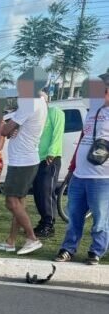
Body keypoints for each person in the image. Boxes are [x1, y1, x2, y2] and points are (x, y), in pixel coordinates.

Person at [55, 75, 109, 266]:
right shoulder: (92, 111)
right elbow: (83, 139)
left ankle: (96, 251)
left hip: (102, 177)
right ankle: (68, 248)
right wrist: (72, 167)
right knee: (74, 216)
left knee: (100, 219)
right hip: (80, 174)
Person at [0, 68, 48, 255]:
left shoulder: (29, 103)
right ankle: (11, 240)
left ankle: (32, 238)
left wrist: (2, 121)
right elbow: (14, 128)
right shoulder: (40, 101)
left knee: (11, 202)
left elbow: (4, 131)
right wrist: (12, 127)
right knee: (19, 202)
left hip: (22, 160)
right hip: (27, 158)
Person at [32, 88, 65, 238]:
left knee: (46, 191)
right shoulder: (36, 115)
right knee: (38, 192)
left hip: (50, 158)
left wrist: (52, 152)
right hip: (35, 158)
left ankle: (49, 224)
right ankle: (43, 220)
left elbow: (57, 133)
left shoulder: (55, 112)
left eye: (41, 99)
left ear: (47, 101)